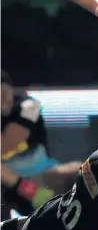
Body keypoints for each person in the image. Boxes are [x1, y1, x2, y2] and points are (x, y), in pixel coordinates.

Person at [1, 70, 82, 220]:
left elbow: (7, 144)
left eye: (4, 92)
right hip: (8, 186)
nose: (3, 99)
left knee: (81, 173)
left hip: (41, 173)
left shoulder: (28, 105)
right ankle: (39, 200)